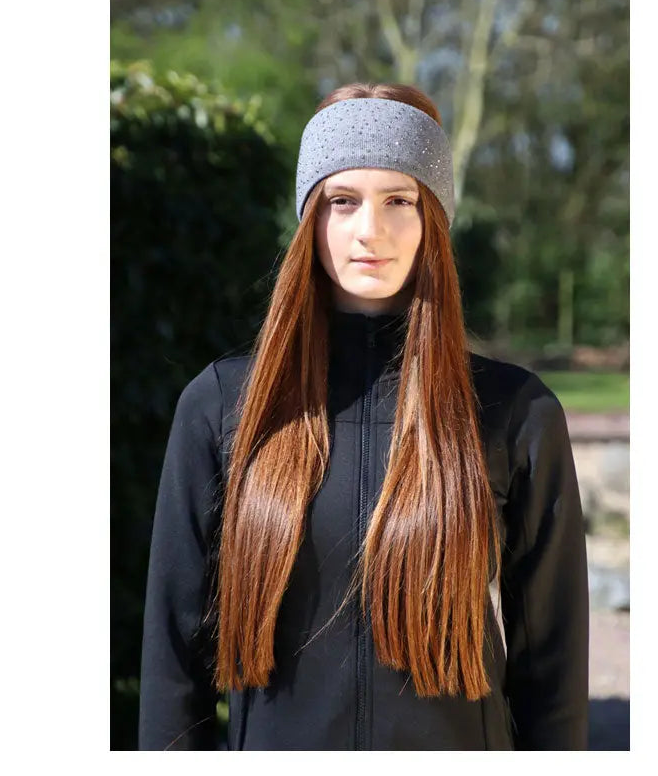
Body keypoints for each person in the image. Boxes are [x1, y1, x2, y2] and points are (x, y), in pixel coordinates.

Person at [138, 82, 589, 751]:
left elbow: (552, 671)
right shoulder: (224, 406)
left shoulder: (515, 414)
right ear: (310, 220)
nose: (369, 230)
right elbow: (174, 664)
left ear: (432, 220)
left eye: (399, 200)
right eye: (342, 201)